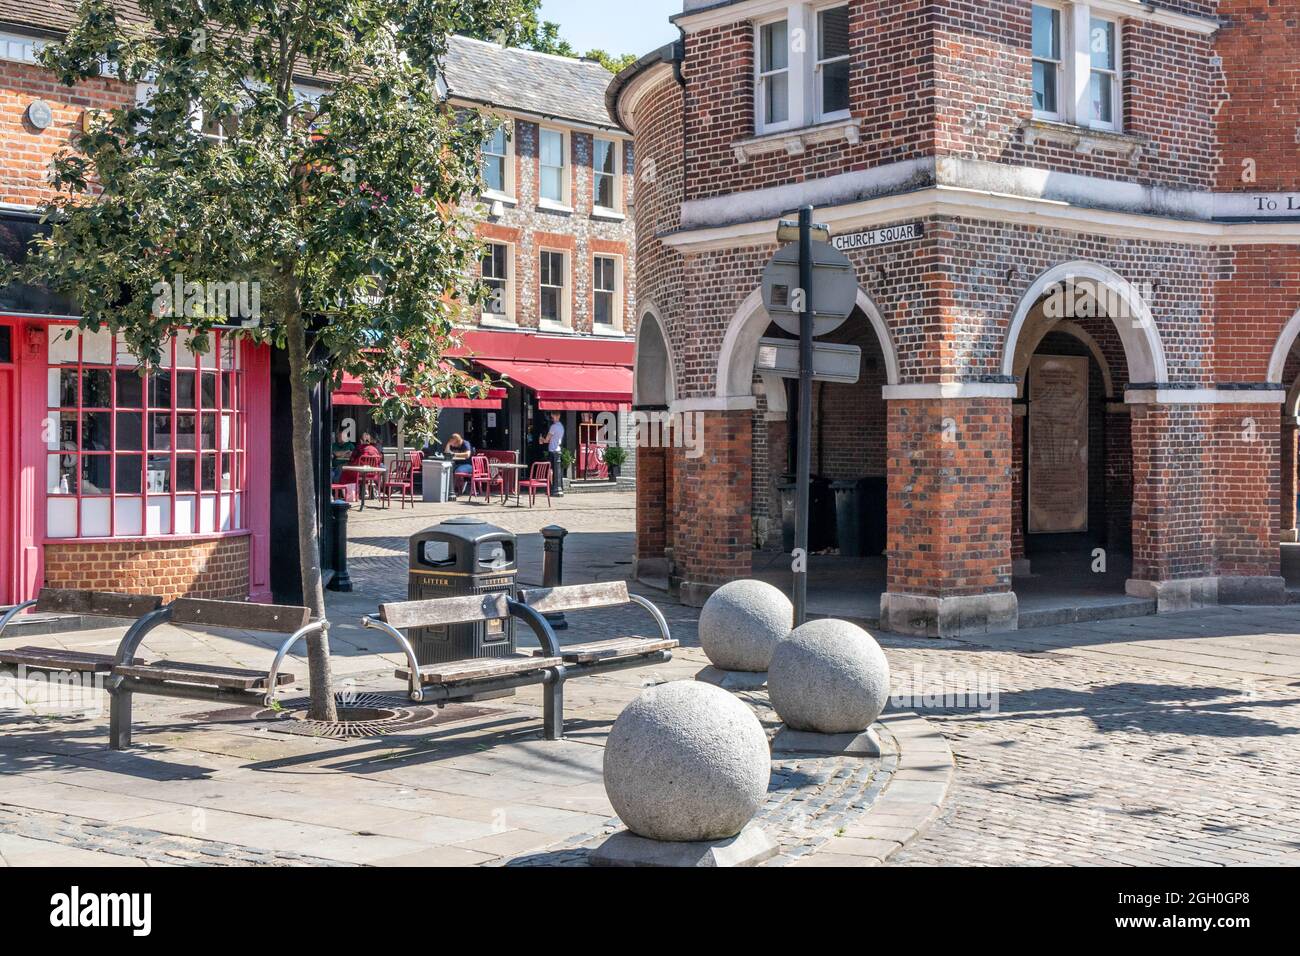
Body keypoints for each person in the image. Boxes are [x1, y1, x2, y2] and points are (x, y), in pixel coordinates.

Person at [539, 411, 565, 496]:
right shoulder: (561, 427)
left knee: (550, 470)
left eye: (552, 416)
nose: (551, 418)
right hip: (558, 450)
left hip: (552, 450)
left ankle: (551, 487)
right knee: (557, 470)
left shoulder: (553, 427)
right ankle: (558, 487)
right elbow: (554, 439)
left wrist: (541, 439)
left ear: (556, 416)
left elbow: (547, 439)